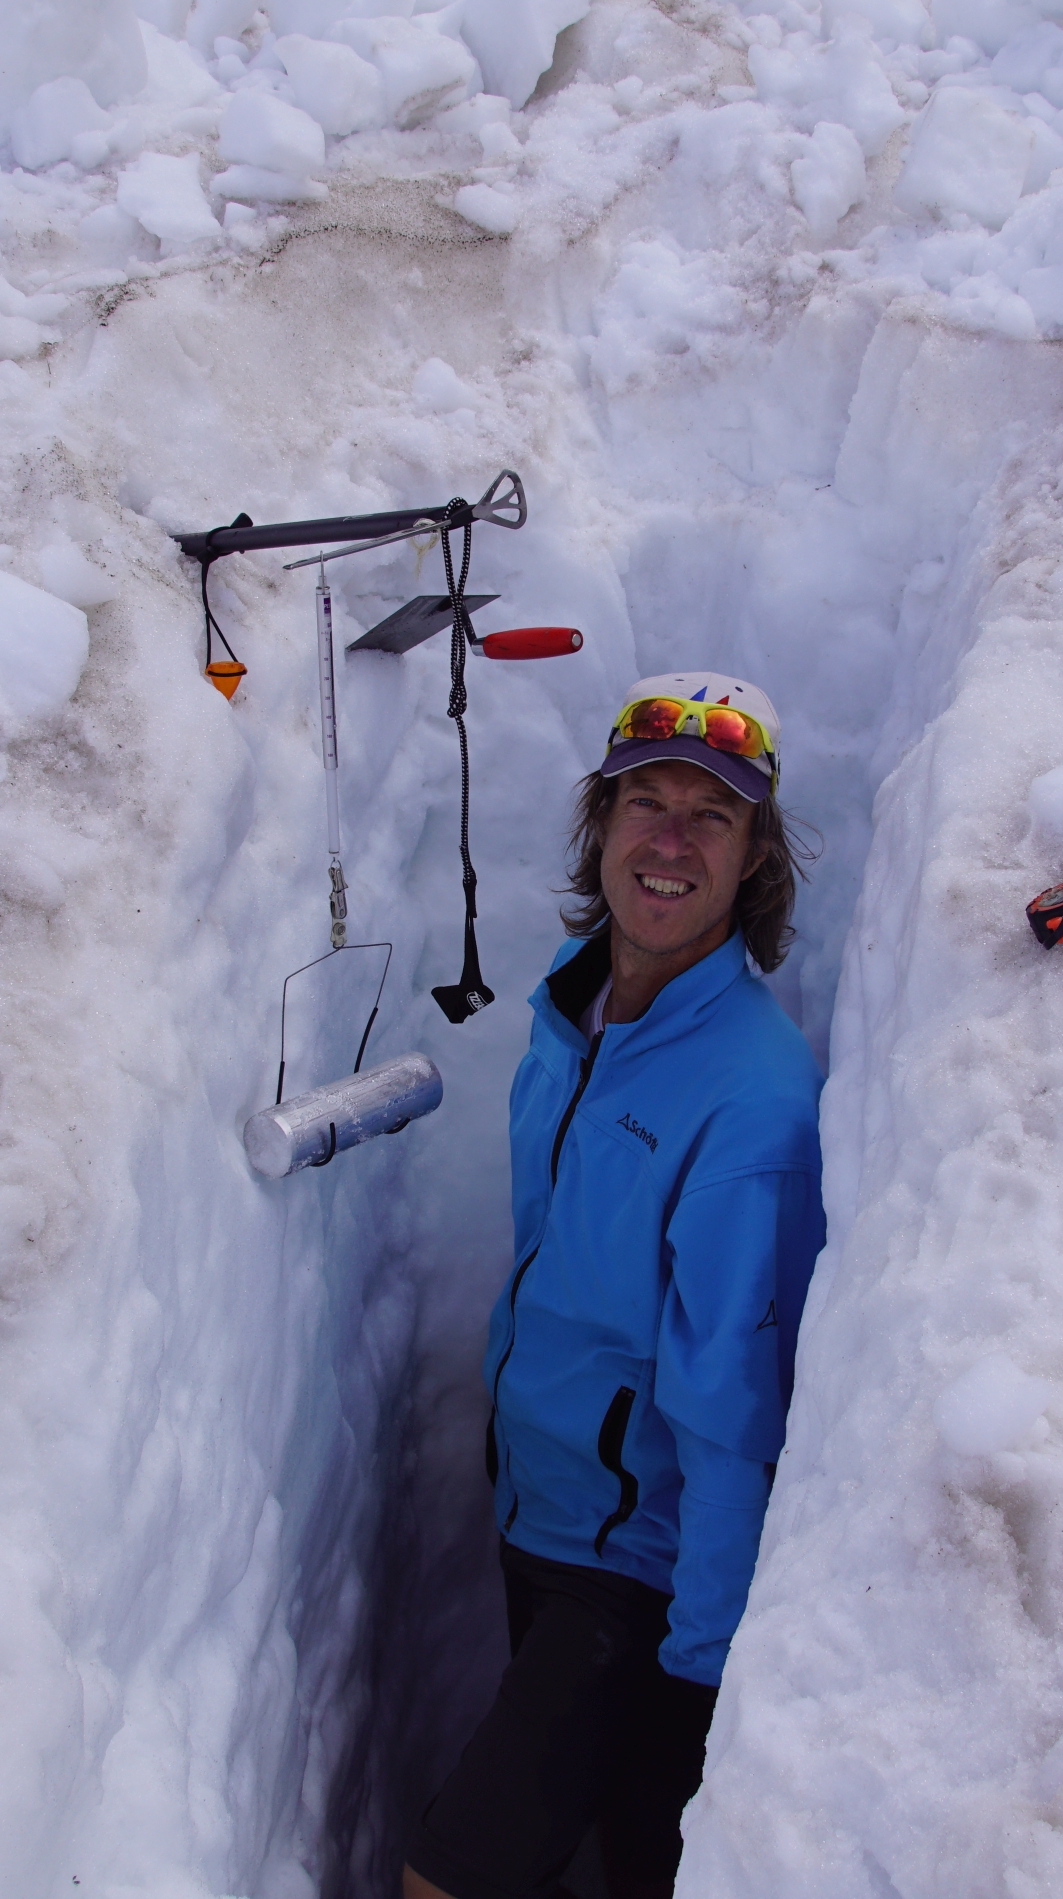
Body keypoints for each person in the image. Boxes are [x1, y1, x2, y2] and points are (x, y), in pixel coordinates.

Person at [404, 672, 827, 1899]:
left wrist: (696, 1671)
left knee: (454, 1875)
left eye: (715, 814)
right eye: (648, 800)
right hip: (541, 1510)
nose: (672, 839)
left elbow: (737, 1407)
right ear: (602, 820)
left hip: (632, 1572)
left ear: (754, 858)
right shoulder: (575, 1007)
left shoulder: (750, 1098)